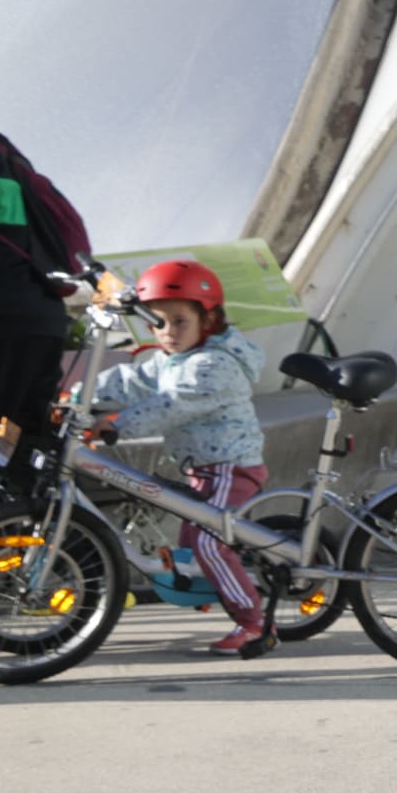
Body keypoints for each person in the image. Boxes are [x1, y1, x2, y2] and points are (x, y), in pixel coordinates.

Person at [91, 258, 273, 658]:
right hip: (202, 468)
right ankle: (221, 587)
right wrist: (78, 396)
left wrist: (116, 424)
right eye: (158, 323)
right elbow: (131, 380)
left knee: (209, 544)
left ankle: (254, 623)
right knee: (192, 544)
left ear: (208, 321)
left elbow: (170, 405)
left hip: (231, 466)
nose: (168, 332)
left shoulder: (213, 365)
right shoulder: (171, 359)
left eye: (179, 321)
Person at [0, 126, 92, 508]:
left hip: (1, 323)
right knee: (16, 431)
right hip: (41, 320)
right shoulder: (0, 145)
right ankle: (39, 530)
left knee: (4, 430)